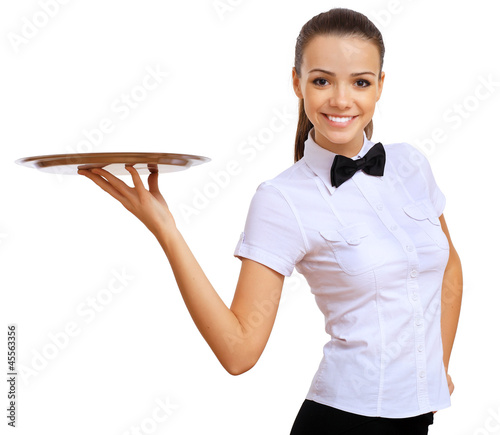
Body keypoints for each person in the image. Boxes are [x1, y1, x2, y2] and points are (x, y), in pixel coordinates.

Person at [77, 7, 463, 435]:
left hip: (418, 419)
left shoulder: (412, 164)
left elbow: (448, 267)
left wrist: (433, 368)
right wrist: (166, 229)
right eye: (321, 80)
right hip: (344, 422)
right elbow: (238, 351)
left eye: (360, 82)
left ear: (380, 86)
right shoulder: (282, 200)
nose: (340, 99)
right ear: (297, 83)